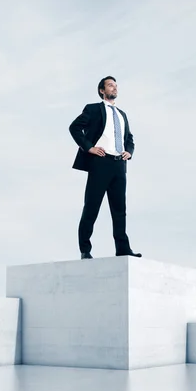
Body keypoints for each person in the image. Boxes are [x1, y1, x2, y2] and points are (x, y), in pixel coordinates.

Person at [69, 76, 142, 260]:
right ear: (102, 90)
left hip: (119, 165)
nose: (114, 88)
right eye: (110, 85)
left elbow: (130, 138)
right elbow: (75, 127)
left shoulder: (122, 114)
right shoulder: (93, 109)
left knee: (120, 210)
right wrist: (89, 147)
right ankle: (85, 249)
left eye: (116, 86)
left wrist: (129, 152)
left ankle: (123, 249)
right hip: (100, 162)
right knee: (92, 207)